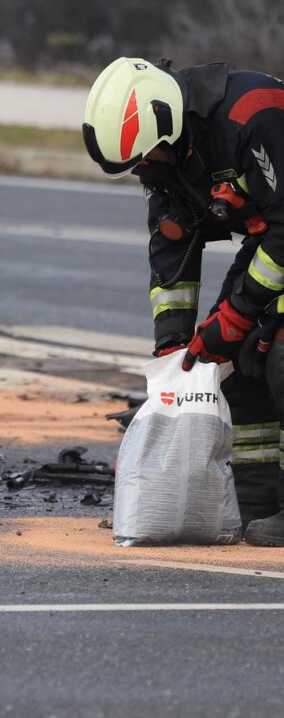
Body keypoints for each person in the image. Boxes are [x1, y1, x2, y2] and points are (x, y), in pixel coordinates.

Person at [83, 56, 284, 546]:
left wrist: (242, 315)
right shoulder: (166, 154)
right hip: (273, 237)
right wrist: (174, 351)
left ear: (167, 124)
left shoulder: (253, 115)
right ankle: (260, 503)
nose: (146, 170)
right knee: (228, 359)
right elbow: (173, 249)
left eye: (146, 158)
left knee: (279, 351)